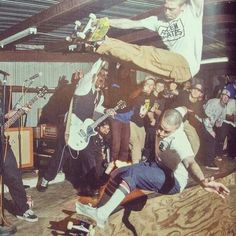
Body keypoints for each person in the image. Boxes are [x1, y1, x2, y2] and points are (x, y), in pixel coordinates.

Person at [75, 107, 230, 229]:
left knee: (132, 176)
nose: (160, 132)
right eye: (160, 127)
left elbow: (190, 163)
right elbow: (182, 108)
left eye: (166, 131)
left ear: (176, 128)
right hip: (158, 166)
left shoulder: (180, 141)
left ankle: (101, 215)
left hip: (173, 180)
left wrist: (203, 182)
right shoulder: (173, 114)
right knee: (117, 173)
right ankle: (99, 211)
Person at [93, 0, 204, 83]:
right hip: (172, 68)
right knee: (134, 62)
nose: (167, 12)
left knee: (148, 53)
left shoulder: (192, 13)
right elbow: (130, 23)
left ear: (183, 7)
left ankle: (103, 42)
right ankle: (96, 46)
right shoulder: (158, 20)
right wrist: (106, 22)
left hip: (186, 65)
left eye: (171, 9)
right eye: (165, 8)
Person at [36, 71, 81, 192]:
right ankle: (46, 178)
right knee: (63, 149)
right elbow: (51, 112)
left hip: (72, 124)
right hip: (56, 123)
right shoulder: (67, 90)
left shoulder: (75, 90)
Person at [0, 105, 38, 222]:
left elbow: (4, 115)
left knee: (13, 174)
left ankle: (22, 209)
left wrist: (18, 111)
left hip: (2, 143)